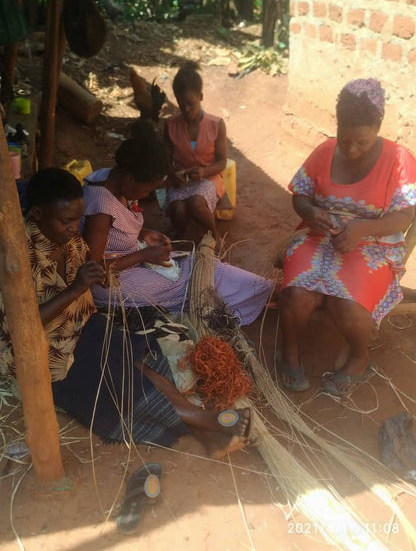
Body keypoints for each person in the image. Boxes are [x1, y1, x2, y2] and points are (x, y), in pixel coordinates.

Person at [0, 168, 255, 458]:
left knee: (139, 362)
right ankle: (203, 423)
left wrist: (108, 270)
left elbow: (90, 272)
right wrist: (75, 289)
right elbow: (17, 327)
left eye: (77, 219)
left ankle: (203, 429)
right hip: (46, 351)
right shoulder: (16, 257)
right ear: (36, 214)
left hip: (82, 325)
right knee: (116, 387)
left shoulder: (68, 239)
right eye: (67, 221)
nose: (74, 228)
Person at [279, 78, 416, 396]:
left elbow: (405, 216)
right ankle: (288, 352)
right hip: (318, 238)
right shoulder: (324, 151)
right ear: (337, 126)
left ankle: (359, 356)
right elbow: (299, 196)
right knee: (296, 295)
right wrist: (312, 213)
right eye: (345, 140)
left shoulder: (398, 159)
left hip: (373, 244)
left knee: (346, 305)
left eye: (362, 142)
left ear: (378, 127)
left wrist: (361, 229)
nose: (352, 149)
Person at [81, 122, 273, 325]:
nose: (147, 196)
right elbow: (94, 271)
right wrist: (143, 255)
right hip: (112, 282)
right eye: (147, 190)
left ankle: (264, 290)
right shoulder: (100, 208)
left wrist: (143, 233)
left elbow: (116, 226)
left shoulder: (112, 177)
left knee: (197, 264)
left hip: (130, 258)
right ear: (130, 179)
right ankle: (263, 292)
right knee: (193, 282)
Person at [163, 61, 227, 243]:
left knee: (196, 203)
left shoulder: (216, 124)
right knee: (177, 210)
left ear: (201, 96)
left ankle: (215, 236)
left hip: (209, 178)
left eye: (191, 104)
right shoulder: (169, 125)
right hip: (181, 181)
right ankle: (183, 235)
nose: (186, 110)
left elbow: (222, 162)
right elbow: (165, 161)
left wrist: (203, 172)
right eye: (181, 105)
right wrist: (172, 175)